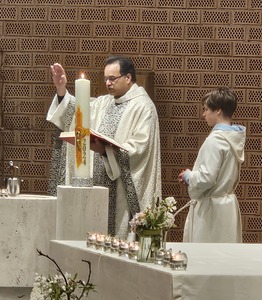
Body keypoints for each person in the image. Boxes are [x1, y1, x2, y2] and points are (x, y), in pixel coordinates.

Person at [46, 56, 162, 240]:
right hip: (98, 187)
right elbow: (79, 110)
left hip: (121, 194)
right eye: (105, 78)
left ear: (128, 78)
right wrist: (61, 90)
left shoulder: (143, 107)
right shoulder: (105, 102)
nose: (107, 83)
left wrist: (107, 151)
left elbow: (141, 147)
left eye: (112, 79)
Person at [178, 87, 246, 243]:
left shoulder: (215, 140)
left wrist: (189, 176)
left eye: (206, 109)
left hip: (212, 210)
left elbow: (207, 178)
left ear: (218, 111)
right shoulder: (233, 137)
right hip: (227, 206)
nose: (203, 114)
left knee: (206, 257)